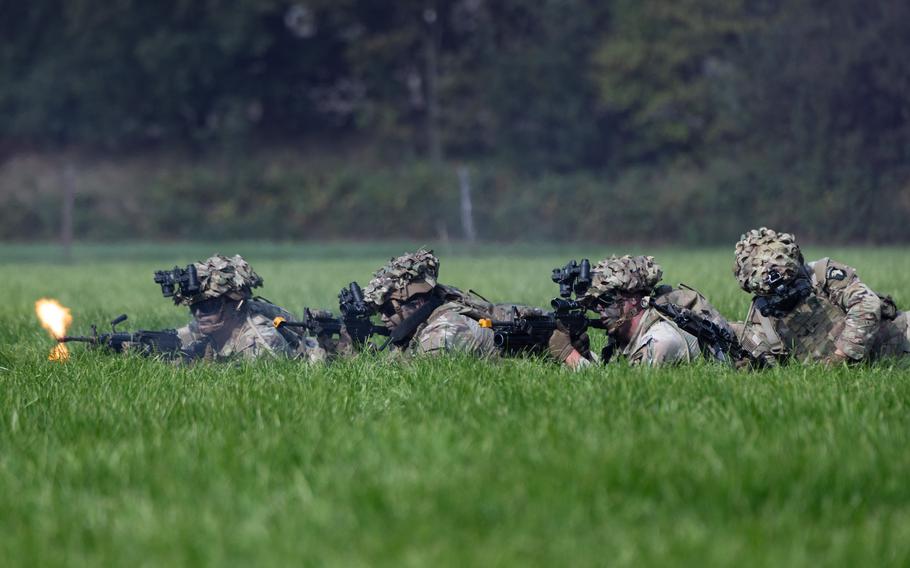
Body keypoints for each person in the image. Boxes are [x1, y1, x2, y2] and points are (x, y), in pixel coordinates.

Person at [732, 227, 909, 365]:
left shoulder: (821, 274)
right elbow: (770, 361)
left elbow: (866, 304)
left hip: (901, 340)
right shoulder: (763, 319)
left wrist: (840, 357)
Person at [549, 255, 735, 368]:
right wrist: (584, 354)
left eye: (606, 300)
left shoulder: (661, 340)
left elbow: (622, 393)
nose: (599, 309)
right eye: (595, 304)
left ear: (633, 299)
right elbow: (611, 375)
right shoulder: (624, 340)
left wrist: (569, 355)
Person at [171, 254, 326, 362]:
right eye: (194, 307)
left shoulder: (259, 341)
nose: (199, 313)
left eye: (209, 306)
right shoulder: (208, 324)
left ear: (234, 305)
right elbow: (174, 338)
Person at [361, 248, 501, 357]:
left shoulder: (443, 331)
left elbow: (411, 377)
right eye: (380, 311)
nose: (383, 317)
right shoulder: (432, 305)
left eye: (389, 309)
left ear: (418, 304)